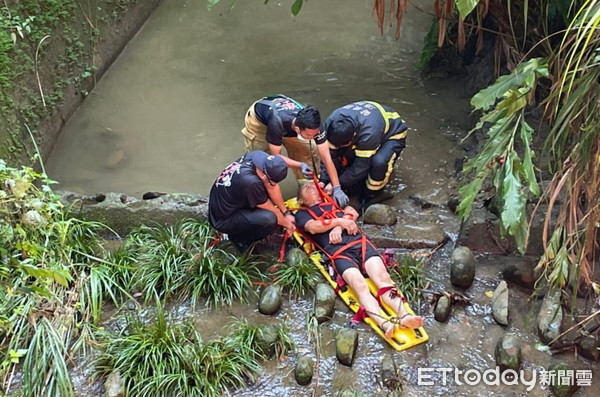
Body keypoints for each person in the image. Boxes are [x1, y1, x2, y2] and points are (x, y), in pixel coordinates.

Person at [294, 182, 423, 338]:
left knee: (383, 279)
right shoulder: (302, 214)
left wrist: (339, 227)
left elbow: (352, 211)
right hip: (339, 252)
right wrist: (339, 222)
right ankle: (384, 323)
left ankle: (404, 315)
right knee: (359, 285)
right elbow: (313, 227)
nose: (311, 186)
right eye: (306, 187)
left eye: (312, 185)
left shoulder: (332, 202)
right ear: (301, 200)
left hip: (359, 243)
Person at [241, 95, 348, 208]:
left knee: (308, 152)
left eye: (314, 135)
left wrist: (337, 187)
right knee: (262, 163)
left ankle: (308, 196)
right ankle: (262, 201)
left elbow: (326, 157)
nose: (312, 137)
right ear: (297, 129)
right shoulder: (276, 122)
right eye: (308, 135)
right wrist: (299, 165)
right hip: (260, 120)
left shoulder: (314, 126)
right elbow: (275, 158)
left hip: (285, 112)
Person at [320, 100, 408, 208]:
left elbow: (361, 166)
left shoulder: (369, 133)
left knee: (379, 162)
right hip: (368, 123)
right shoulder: (331, 123)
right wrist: (324, 180)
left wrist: (338, 184)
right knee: (341, 156)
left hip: (393, 132)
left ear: (354, 135)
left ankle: (371, 195)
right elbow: (327, 156)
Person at [208, 151, 295, 253]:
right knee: (270, 219)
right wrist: (288, 225)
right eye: (271, 181)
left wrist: (285, 212)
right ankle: (239, 239)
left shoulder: (257, 157)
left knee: (266, 196)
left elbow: (272, 187)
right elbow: (270, 208)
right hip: (222, 218)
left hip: (228, 200)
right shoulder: (251, 182)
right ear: (264, 176)